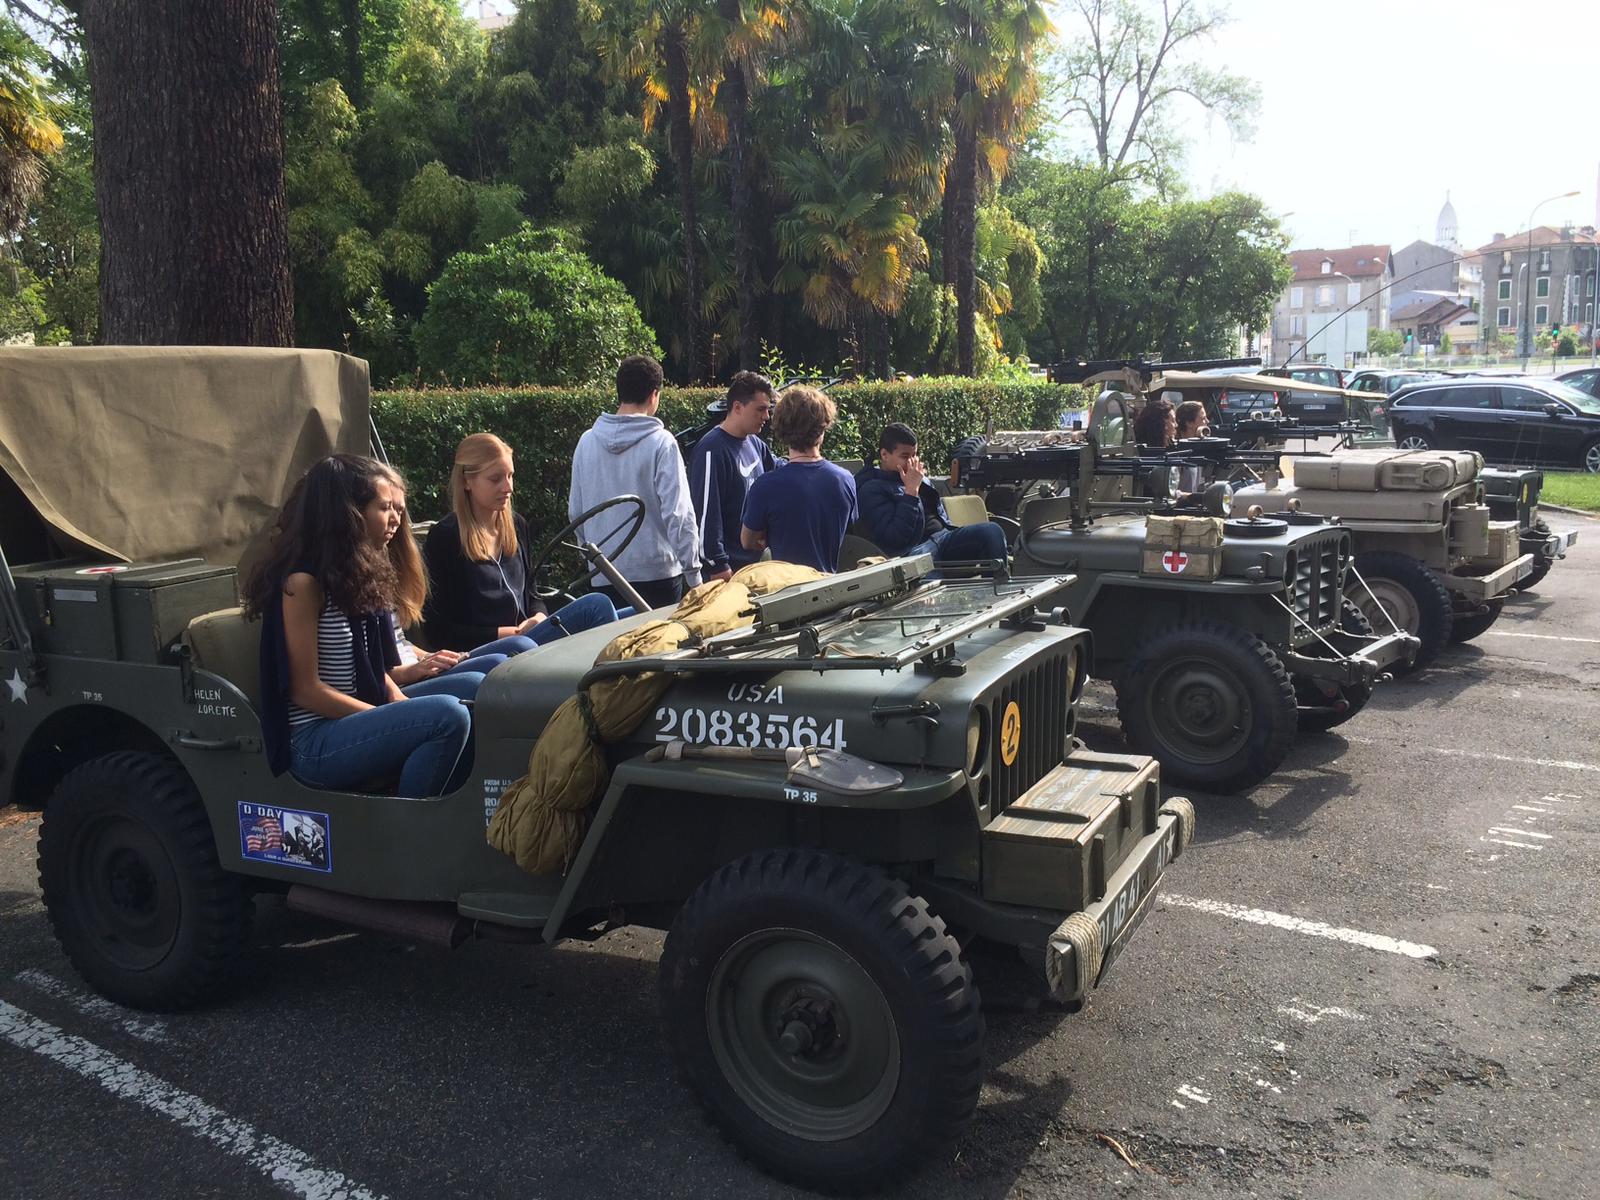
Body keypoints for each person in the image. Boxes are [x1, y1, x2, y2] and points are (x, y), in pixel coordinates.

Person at [243, 454, 472, 798]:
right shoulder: (303, 583)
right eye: (384, 508)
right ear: (348, 513)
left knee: (474, 691)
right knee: (446, 717)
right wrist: (388, 716)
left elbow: (373, 668)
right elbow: (304, 689)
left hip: (356, 716)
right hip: (313, 740)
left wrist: (398, 709)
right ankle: (411, 822)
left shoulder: (353, 574)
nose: (396, 519)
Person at [423, 433, 620, 659]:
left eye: (510, 476)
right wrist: (505, 634)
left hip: (529, 638)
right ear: (467, 481)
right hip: (487, 650)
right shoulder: (445, 537)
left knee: (634, 614)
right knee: (595, 606)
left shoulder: (517, 525)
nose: (508, 487)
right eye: (495, 479)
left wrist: (538, 617)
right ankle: (616, 679)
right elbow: (437, 630)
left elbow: (532, 595)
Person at [569, 355, 702, 609]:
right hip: (658, 574)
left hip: (605, 573)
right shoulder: (661, 442)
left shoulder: (586, 442)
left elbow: (576, 512)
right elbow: (678, 513)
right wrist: (694, 575)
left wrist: (594, 559)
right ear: (654, 395)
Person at [740, 386, 857, 572]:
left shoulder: (765, 486)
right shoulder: (845, 480)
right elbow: (846, 528)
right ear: (822, 428)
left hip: (785, 587)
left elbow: (747, 541)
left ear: (781, 429)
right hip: (829, 583)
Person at [855, 423, 1008, 564]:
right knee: (925, 576)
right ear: (884, 455)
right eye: (905, 457)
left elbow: (941, 516)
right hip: (913, 551)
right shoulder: (871, 489)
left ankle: (998, 583)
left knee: (991, 531)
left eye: (914, 455)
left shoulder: (918, 478)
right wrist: (911, 492)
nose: (912, 462)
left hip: (943, 538)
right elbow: (896, 539)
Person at [689, 371, 777, 580]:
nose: (766, 416)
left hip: (757, 568)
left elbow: (776, 483)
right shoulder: (711, 450)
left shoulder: (756, 444)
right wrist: (717, 565)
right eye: (760, 409)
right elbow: (706, 515)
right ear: (737, 407)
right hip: (727, 571)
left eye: (768, 409)